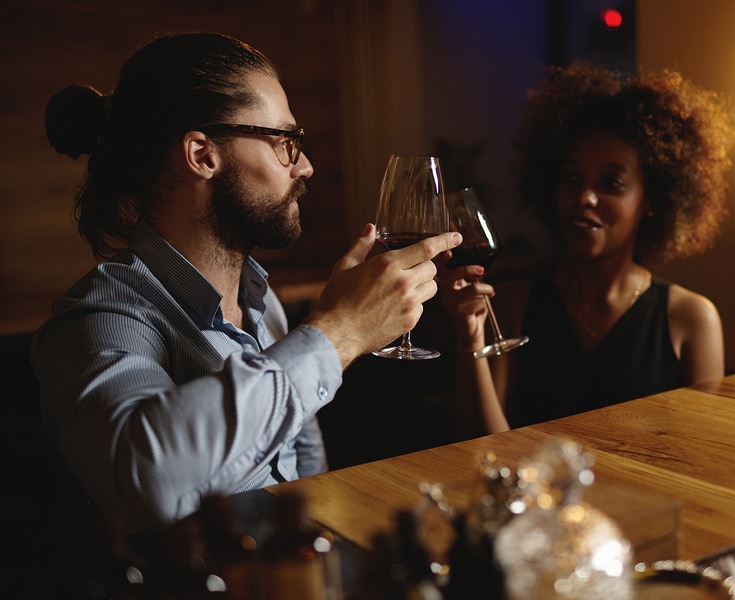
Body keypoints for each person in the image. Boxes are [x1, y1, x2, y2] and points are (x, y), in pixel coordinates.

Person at [33, 31, 461, 534]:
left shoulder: (263, 303)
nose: (305, 165)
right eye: (284, 142)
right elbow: (148, 480)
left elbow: (305, 469)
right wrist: (339, 333)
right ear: (201, 154)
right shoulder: (99, 318)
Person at [439, 62, 735, 436]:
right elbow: (482, 451)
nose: (583, 197)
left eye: (611, 183)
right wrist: (469, 339)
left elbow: (703, 452)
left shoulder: (690, 319)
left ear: (652, 199)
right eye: (571, 178)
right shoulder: (511, 306)